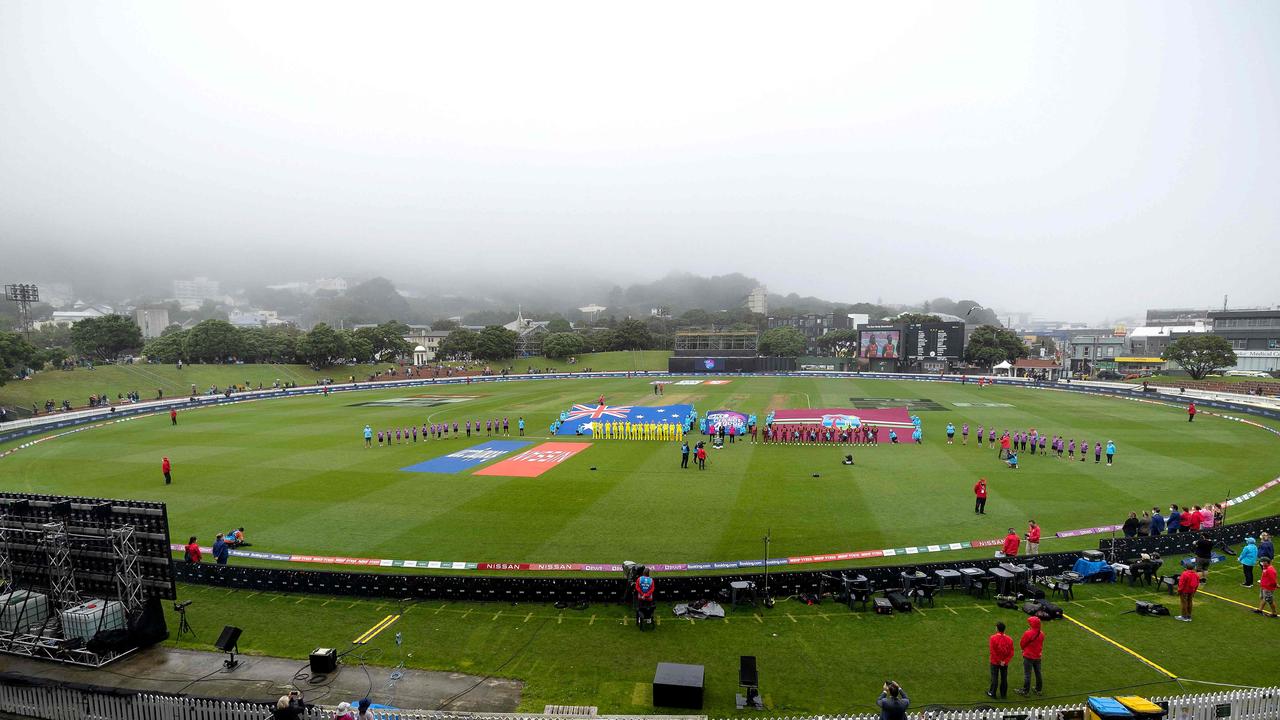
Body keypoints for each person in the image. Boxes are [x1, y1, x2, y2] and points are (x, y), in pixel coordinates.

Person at [1014, 616, 1044, 696]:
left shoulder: (1028, 633)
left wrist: (1023, 649)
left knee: (1027, 674)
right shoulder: (1041, 634)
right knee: (1038, 673)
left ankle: (1025, 691)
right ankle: (1038, 689)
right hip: (1037, 656)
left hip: (1028, 656)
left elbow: (1022, 643)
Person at [987, 620, 1013, 699]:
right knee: (1004, 678)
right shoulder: (1009, 639)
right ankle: (1003, 694)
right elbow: (1011, 652)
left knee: (994, 678)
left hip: (995, 662)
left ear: (997, 629)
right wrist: (1005, 661)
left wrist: (999, 661)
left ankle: (992, 693)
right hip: (1004, 663)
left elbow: (992, 651)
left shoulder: (993, 638)